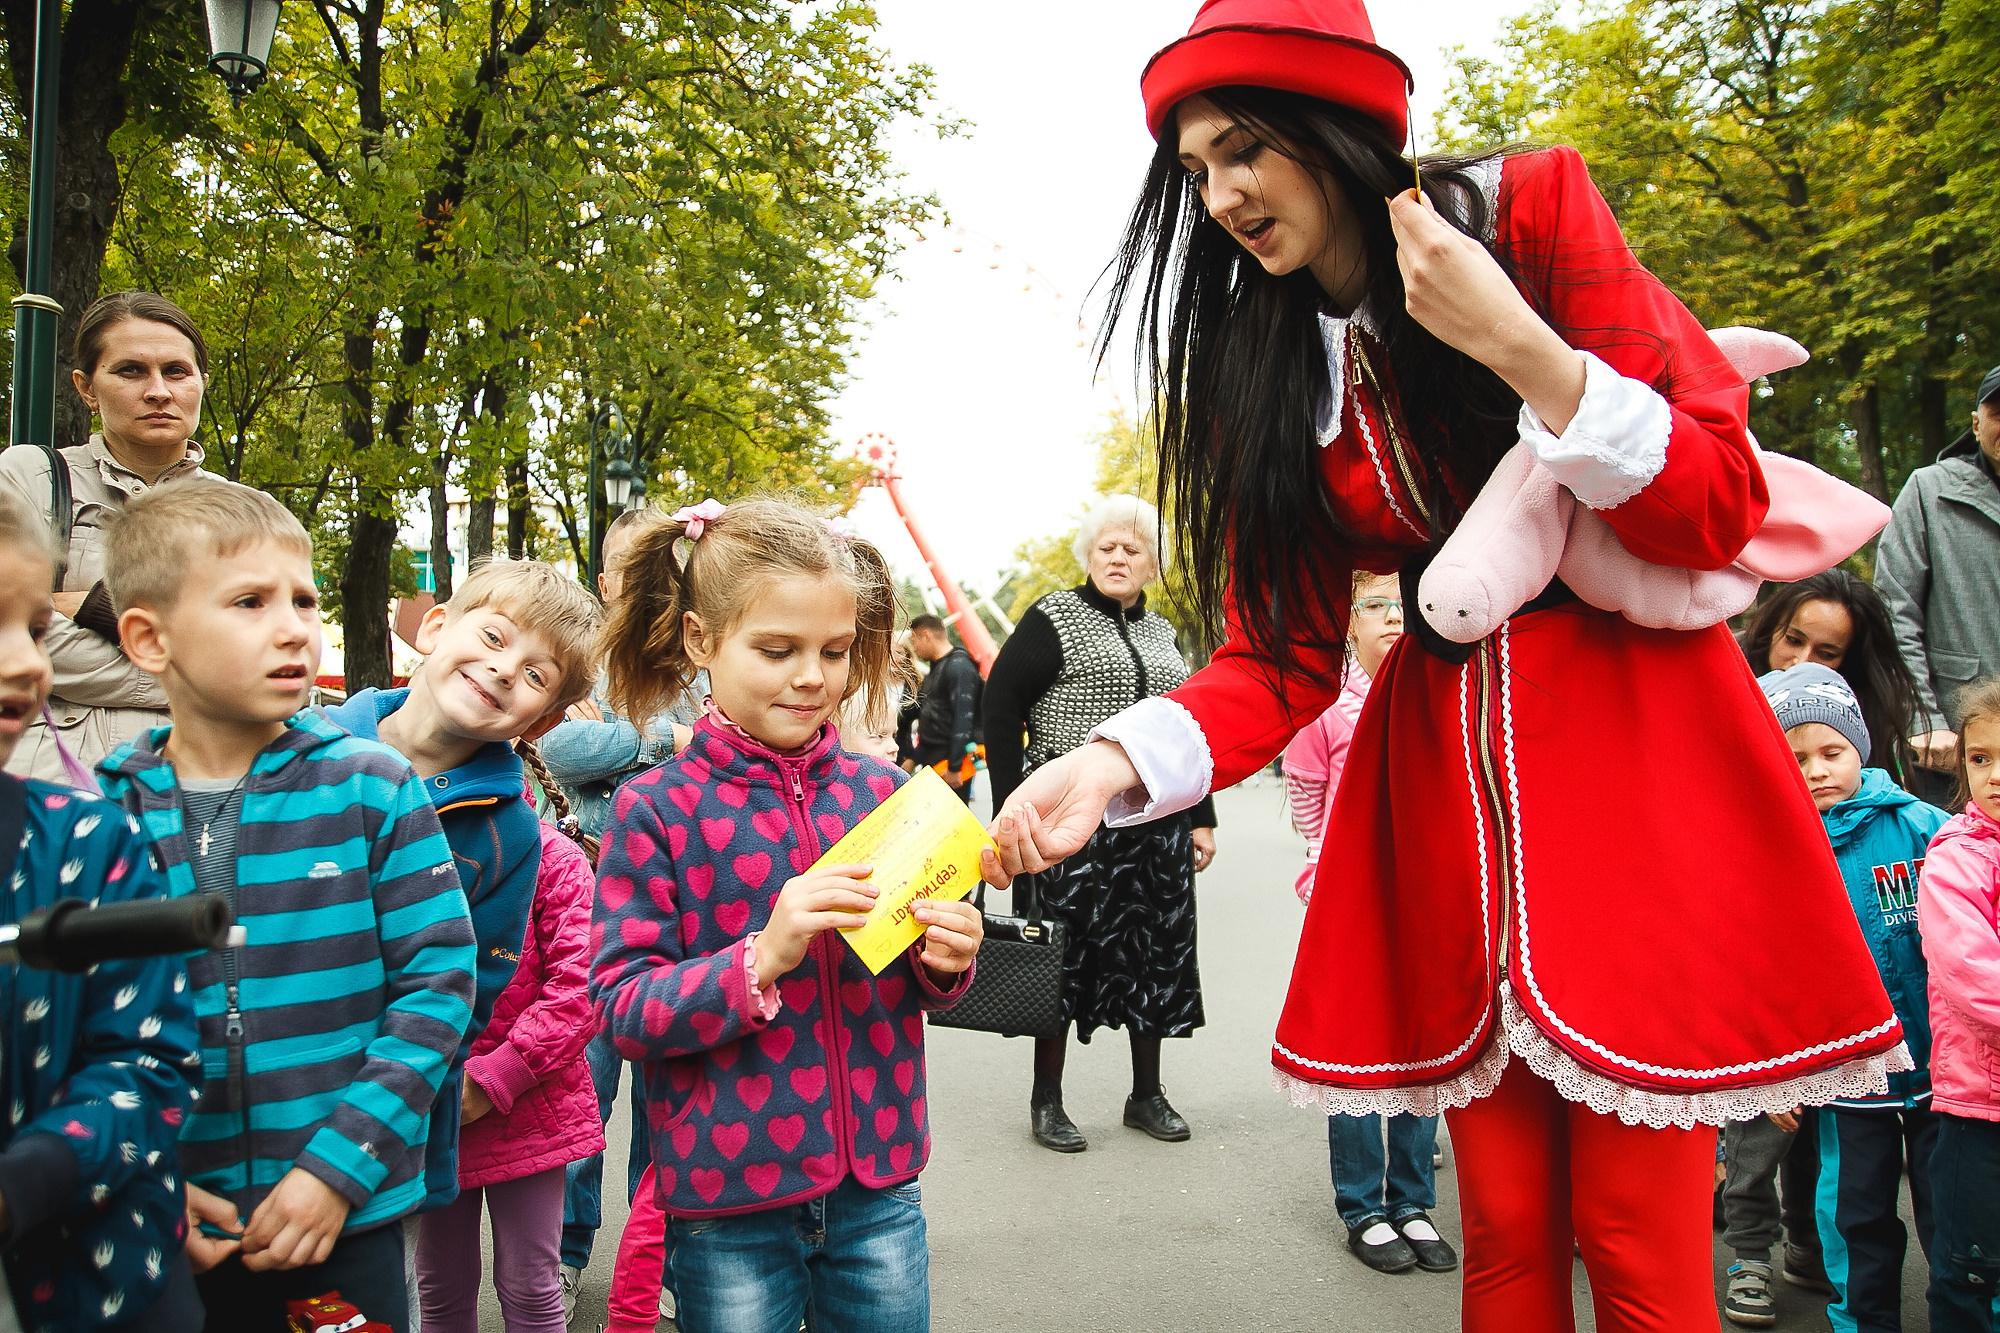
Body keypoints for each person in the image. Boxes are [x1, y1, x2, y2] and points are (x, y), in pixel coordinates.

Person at [984, 4, 1908, 1328]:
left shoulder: (1527, 213)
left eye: (1244, 147)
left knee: (1639, 1239)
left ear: (1335, 127)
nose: (1221, 193)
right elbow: (1281, 654)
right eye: (1194, 169)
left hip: (1635, 760)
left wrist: (1522, 346)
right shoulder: (1262, 366)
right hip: (1447, 801)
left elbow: (1711, 507)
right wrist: (1116, 758)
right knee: (1513, 1238)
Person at [589, 496, 982, 1333]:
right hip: (726, 1201)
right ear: (701, 639)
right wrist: (759, 956)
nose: (813, 675)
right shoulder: (654, 808)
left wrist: (944, 956)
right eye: (778, 649)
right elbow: (623, 1006)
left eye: (834, 651)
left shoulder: (887, 796)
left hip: (877, 1184)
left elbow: (917, 980)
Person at [92, 479, 476, 1332]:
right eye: (250, 600)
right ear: (150, 638)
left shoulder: (370, 785)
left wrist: (335, 1170)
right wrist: (148, 1178)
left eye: (303, 598)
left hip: (346, 1214)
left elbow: (439, 988)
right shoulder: (103, 815)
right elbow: (88, 1028)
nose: (295, 625)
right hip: (170, 1221)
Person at [321, 559, 600, 1325]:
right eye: (492, 636)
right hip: (278, 1083)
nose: (503, 669)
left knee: (366, 1290)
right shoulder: (299, 750)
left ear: (540, 721)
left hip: (424, 1099)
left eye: (536, 672)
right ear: (436, 626)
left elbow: (467, 985)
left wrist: (462, 1082)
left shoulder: (516, 837)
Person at [0, 488, 204, 1331]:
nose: (25, 661)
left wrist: (27, 1181)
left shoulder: (86, 841)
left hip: (99, 1284)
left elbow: (149, 1057)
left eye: (37, 630)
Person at [981, 494, 1219, 1153]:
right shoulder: (1053, 616)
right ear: (1089, 555)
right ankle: (1047, 1101)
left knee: (1156, 952)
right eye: (1107, 547)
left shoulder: (1162, 633)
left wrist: (1202, 816)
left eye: (1132, 548)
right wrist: (1012, 805)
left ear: (1151, 563)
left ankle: (1146, 1094)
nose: (1118, 557)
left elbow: (1185, 730)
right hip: (1066, 821)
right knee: (1060, 954)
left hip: (1156, 822)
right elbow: (1000, 706)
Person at [539, 508, 697, 1323]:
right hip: (593, 912)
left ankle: (656, 1257)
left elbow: (716, 739)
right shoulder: (591, 659)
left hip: (684, 916)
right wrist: (666, 741)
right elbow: (562, 750)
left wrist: (625, 741)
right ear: (606, 583)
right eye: (630, 568)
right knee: (579, 1097)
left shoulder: (709, 660)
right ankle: (564, 1254)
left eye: (663, 565)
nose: (648, 583)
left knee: (666, 1107)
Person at [1757, 665, 1944, 1330]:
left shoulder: (1925, 829)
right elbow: (1769, 970)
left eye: (1831, 752)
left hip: (1944, 1065)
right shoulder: (1778, 851)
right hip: (1846, 1072)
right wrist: (1781, 1070)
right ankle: (1862, 1320)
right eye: (1796, 756)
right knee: (1855, 1208)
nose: (1816, 771)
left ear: (1858, 747)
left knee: (1954, 1208)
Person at [1282, 573, 1456, 1275]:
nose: (1391, 616)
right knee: (1355, 1053)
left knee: (1428, 1048)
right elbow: (1306, 792)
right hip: (1350, 902)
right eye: (1374, 605)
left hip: (1433, 900)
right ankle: (1363, 1206)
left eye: (1403, 603)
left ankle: (1413, 1199)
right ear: (1348, 623)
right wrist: (1329, 867)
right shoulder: (1327, 709)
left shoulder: (1445, 694)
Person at [0, 291, 214, 785]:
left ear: (201, 382)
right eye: (131, 371)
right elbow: (15, 637)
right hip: (49, 784)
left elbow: (258, 656)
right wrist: (187, 670)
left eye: (177, 371)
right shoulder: (30, 476)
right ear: (86, 387)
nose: (159, 390)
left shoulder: (247, 511)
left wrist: (95, 607)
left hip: (196, 792)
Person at [415, 814, 604, 1333]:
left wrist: (499, 1074)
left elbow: (580, 985)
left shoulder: (553, 856)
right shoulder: (400, 845)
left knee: (529, 1283)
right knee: (438, 1283)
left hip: (531, 1106)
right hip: (433, 1102)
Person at [1916, 676, 2000, 1333]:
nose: (1994, 775)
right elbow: (1972, 977)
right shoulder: (1955, 861)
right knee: (1969, 1268)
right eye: (1980, 758)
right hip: (1979, 1109)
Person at [1876, 365, 2000, 799]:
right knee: (1961, 863)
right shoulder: (1930, 491)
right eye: (1999, 412)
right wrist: (1923, 721)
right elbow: (1894, 611)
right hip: (1956, 745)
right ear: (1975, 423)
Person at [1741, 571, 1924, 790]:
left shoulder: (1868, 724)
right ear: (1771, 631)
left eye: (1826, 654)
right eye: (1793, 640)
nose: (1802, 661)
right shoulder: (1721, 676)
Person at [906, 614, 982, 804]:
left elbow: (964, 718)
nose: (914, 647)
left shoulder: (959, 667)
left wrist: (955, 766)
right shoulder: (938, 668)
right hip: (935, 759)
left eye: (914, 640)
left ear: (926, 635)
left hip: (950, 764)